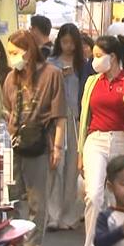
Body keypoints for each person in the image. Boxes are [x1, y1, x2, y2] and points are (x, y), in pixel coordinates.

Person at [3, 29, 68, 246]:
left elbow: (60, 115)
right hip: (13, 142)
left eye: (15, 52)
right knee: (13, 197)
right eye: (10, 52)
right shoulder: (11, 77)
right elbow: (7, 110)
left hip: (40, 142)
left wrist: (57, 147)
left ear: (28, 51)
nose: (12, 57)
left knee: (37, 200)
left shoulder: (52, 74)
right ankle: (15, 243)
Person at [77, 35, 124, 246]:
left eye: (99, 55)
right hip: (95, 139)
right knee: (94, 194)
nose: (95, 60)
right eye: (94, 55)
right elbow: (84, 116)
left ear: (114, 56)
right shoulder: (92, 82)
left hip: (121, 139)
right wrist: (80, 150)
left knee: (120, 197)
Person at [46, 24, 86, 231]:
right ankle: (53, 215)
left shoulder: (83, 65)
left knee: (72, 169)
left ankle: (69, 215)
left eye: (72, 43)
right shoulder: (50, 63)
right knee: (56, 167)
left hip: (76, 118)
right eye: (64, 42)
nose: (68, 46)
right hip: (55, 117)